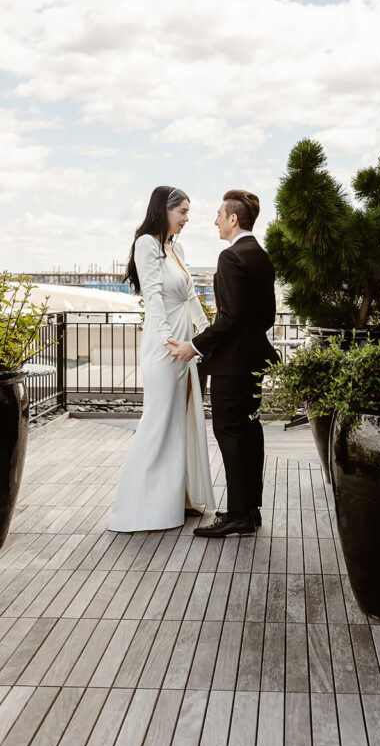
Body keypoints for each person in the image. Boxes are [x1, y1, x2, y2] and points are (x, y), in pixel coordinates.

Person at [167, 190, 279, 537]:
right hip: (255, 359)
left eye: (218, 214)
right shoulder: (260, 255)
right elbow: (265, 316)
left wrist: (194, 346)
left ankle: (236, 515)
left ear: (233, 219)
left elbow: (228, 318)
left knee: (230, 435)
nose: (214, 220)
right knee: (249, 433)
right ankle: (249, 509)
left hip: (232, 365)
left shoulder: (231, 257)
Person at [108, 186, 215, 532]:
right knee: (159, 421)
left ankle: (178, 498)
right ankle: (140, 508)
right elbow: (153, 298)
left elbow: (191, 297)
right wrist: (166, 342)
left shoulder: (175, 247)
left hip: (184, 345)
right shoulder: (147, 244)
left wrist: (206, 335)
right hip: (165, 346)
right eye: (182, 211)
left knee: (181, 422)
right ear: (163, 210)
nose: (187, 218)